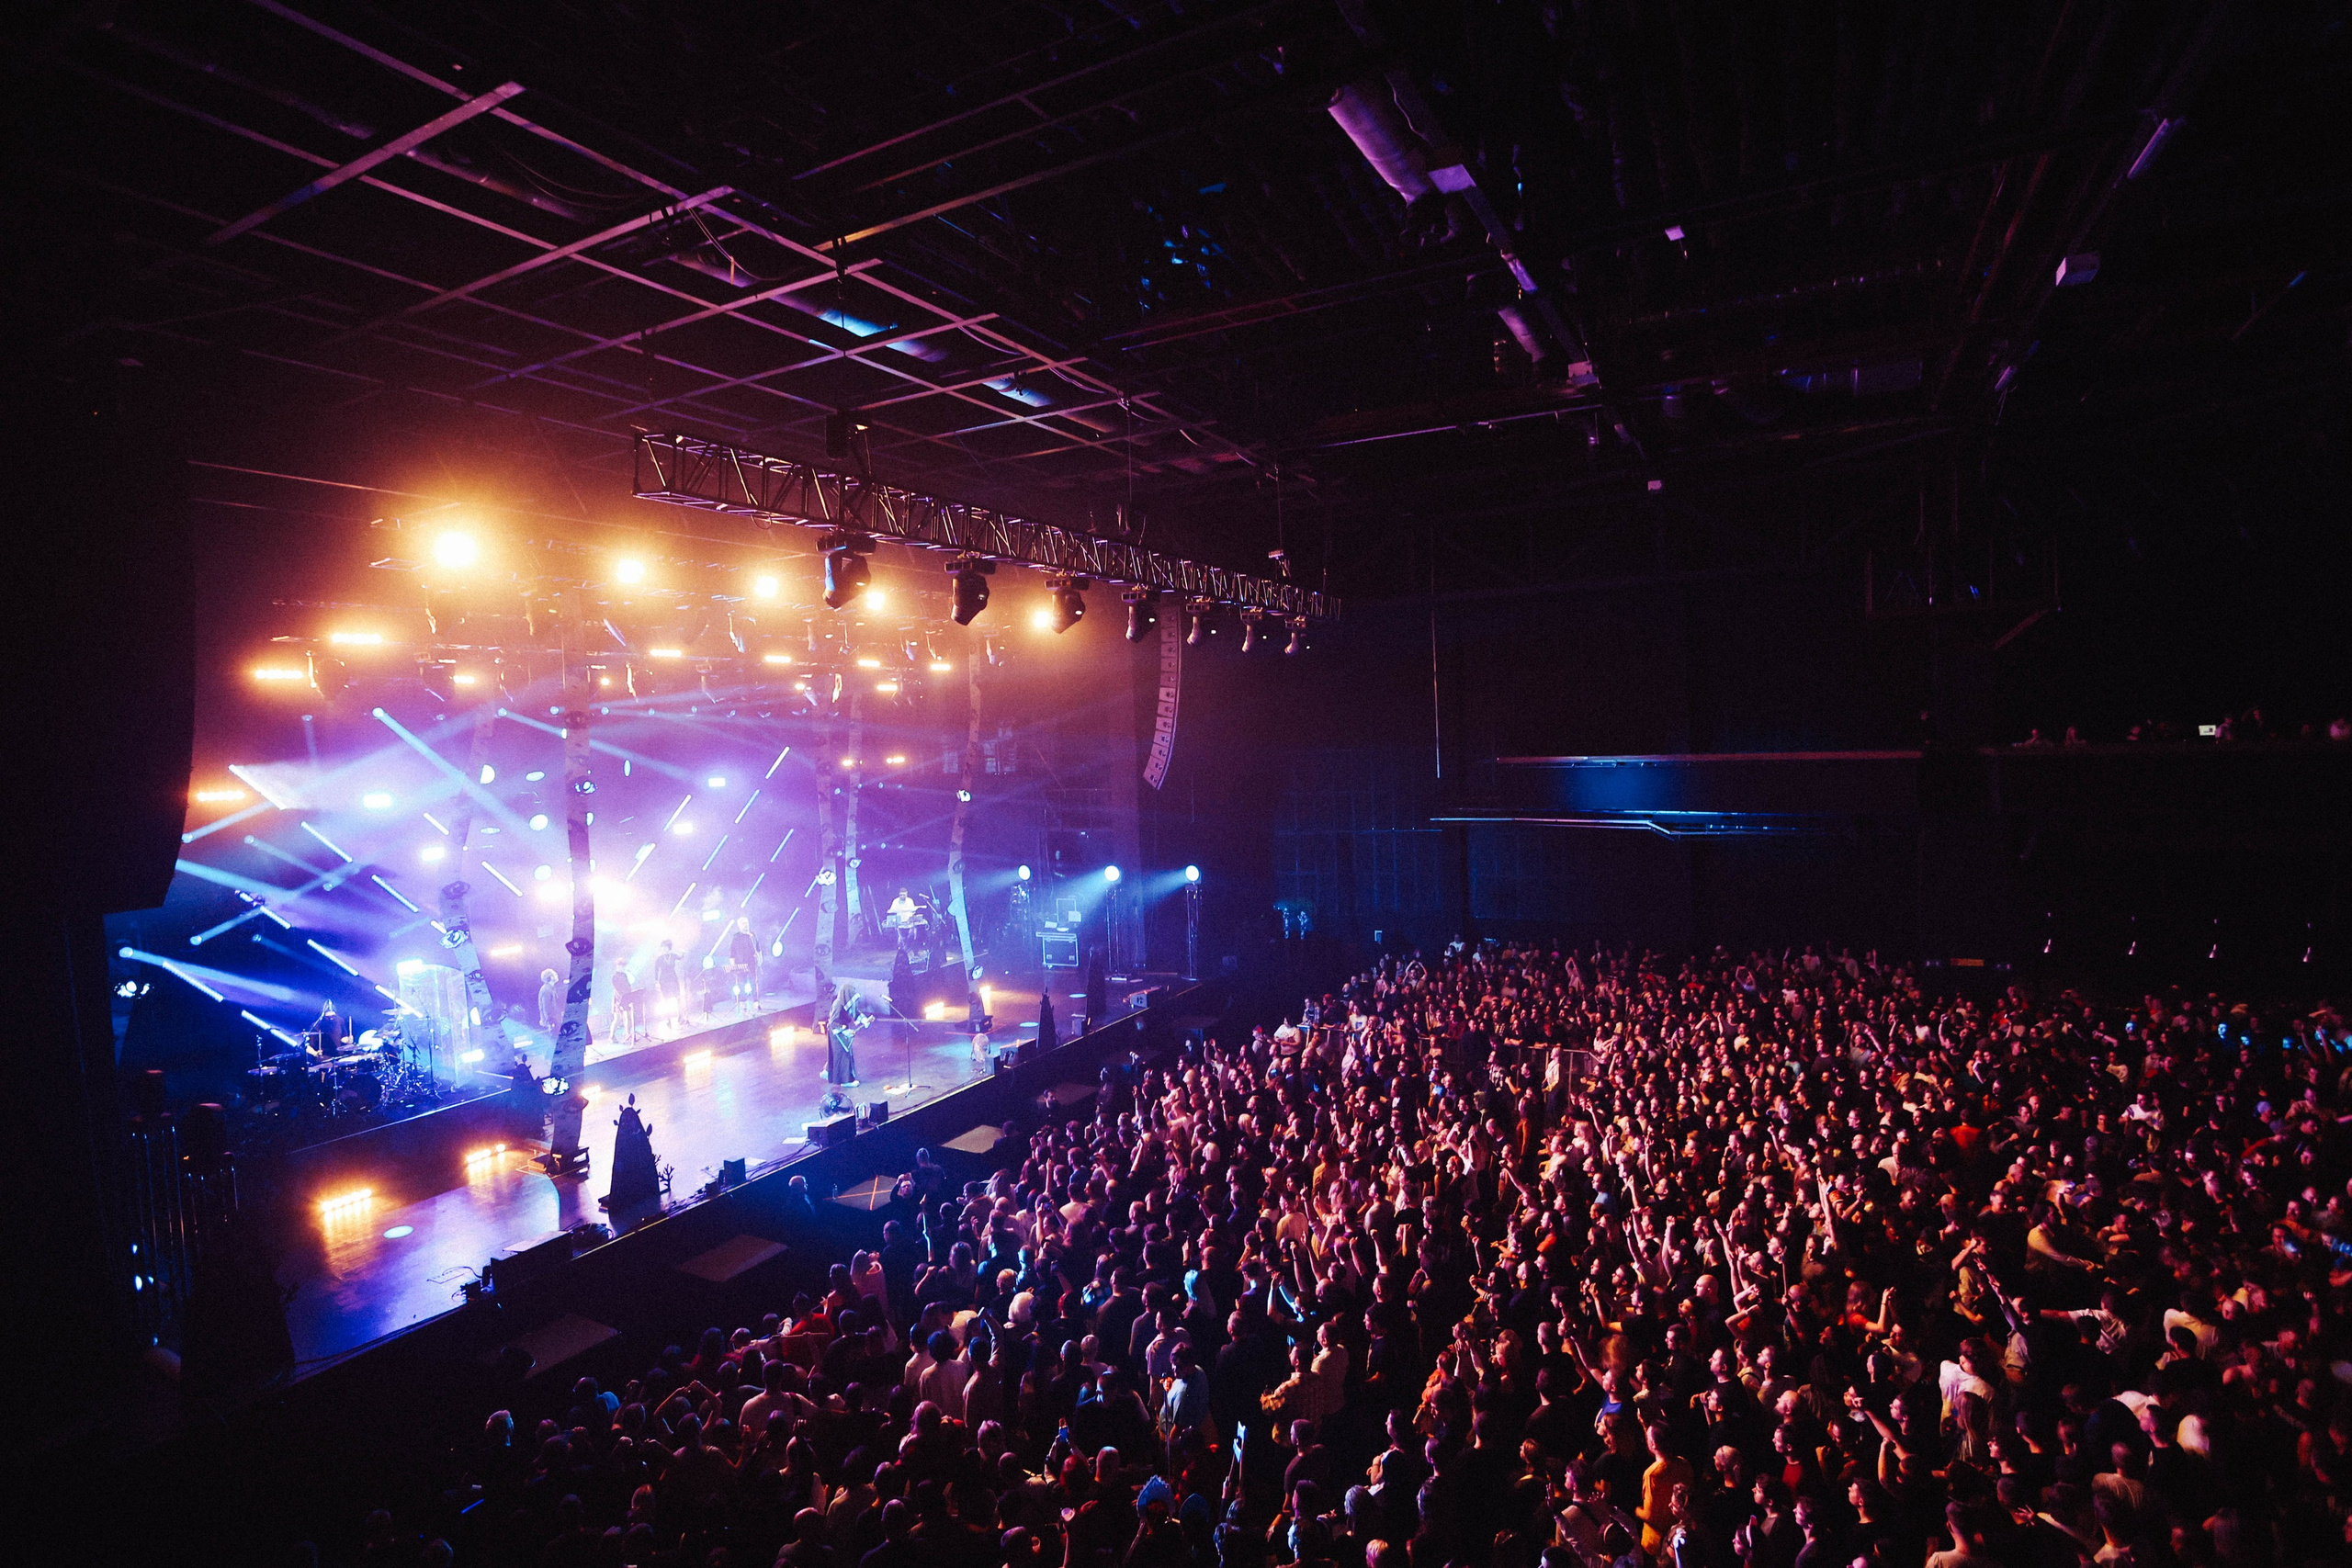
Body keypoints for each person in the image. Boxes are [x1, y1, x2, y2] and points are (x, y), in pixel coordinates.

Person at [727, 918, 760, 1013]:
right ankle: (743, 1003)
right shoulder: (736, 937)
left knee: (754, 982)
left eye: (747, 923)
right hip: (740, 963)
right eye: (744, 923)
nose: (746, 925)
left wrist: (759, 959)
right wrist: (733, 965)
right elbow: (732, 951)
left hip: (751, 962)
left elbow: (757, 947)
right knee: (742, 983)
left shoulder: (752, 935)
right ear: (740, 925)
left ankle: (756, 1002)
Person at [650, 940, 684, 1032]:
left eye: (665, 947)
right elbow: (656, 970)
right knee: (666, 1000)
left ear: (669, 947)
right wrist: (656, 981)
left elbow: (680, 957)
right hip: (664, 980)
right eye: (662, 947)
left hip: (673, 978)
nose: (663, 949)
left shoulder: (672, 955)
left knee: (678, 997)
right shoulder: (659, 959)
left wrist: (683, 952)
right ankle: (668, 1020)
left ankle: (680, 1016)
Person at [536, 967, 564, 1035]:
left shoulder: (550, 988)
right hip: (552, 1022)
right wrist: (550, 1022)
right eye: (554, 974)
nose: (557, 974)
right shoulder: (546, 990)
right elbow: (546, 1008)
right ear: (551, 977)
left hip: (554, 1020)